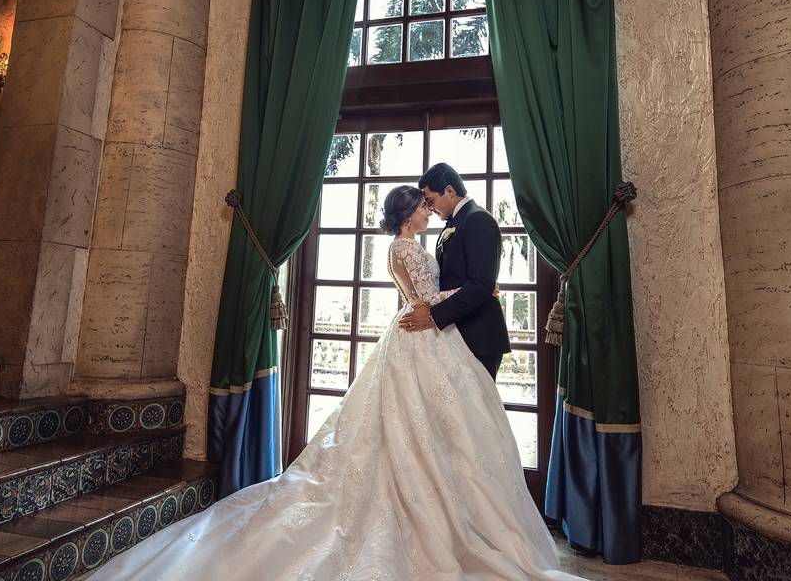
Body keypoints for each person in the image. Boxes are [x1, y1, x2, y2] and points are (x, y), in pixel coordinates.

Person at [88, 185, 582, 581]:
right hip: (422, 332)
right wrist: (483, 288)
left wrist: (469, 289)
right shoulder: (408, 248)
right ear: (410, 215)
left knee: (419, 424)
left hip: (418, 331)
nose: (430, 212)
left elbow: (431, 296)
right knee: (426, 425)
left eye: (431, 204)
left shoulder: (404, 245)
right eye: (424, 207)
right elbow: (431, 296)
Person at [399, 163, 511, 380]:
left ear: (449, 191)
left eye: (430, 201)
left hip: (478, 335)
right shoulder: (455, 222)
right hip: (455, 333)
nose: (430, 209)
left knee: (477, 412)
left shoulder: (478, 219)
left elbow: (480, 284)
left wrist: (433, 316)